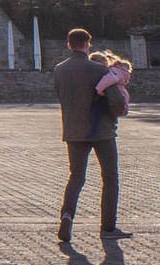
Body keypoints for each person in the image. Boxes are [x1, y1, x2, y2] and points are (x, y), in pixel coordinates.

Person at [56, 28, 130, 242]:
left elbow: (60, 96)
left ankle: (67, 215)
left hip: (73, 131)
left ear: (69, 45)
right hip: (102, 131)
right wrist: (118, 112)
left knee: (76, 177)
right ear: (88, 44)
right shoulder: (98, 69)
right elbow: (115, 99)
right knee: (110, 177)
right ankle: (108, 226)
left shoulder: (59, 70)